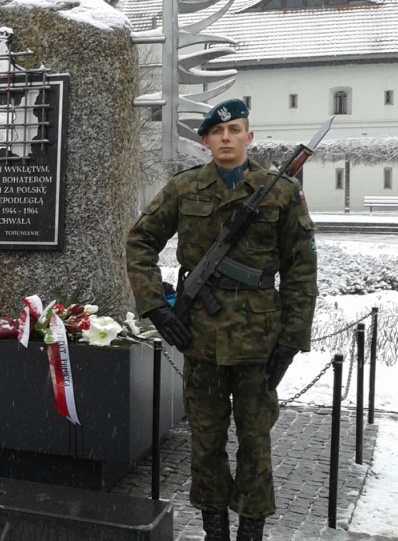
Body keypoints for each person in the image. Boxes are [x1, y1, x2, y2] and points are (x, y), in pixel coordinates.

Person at [126, 99, 318, 541]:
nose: (227, 138)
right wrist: (155, 305)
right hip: (201, 337)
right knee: (206, 441)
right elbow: (140, 241)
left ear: (249, 138)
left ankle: (251, 532)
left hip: (259, 342)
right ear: (206, 141)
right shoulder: (184, 189)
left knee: (256, 442)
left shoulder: (281, 191)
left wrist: (290, 342)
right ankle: (216, 530)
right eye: (218, 132)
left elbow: (301, 271)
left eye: (235, 130)